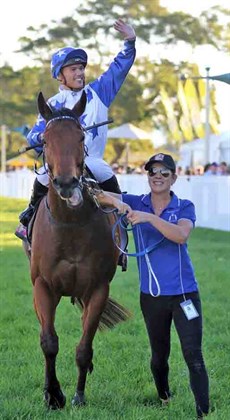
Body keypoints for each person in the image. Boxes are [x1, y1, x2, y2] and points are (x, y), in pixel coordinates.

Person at [95, 153, 209, 419]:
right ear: (147, 176)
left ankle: (204, 412)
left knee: (194, 356)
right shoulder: (136, 201)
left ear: (174, 178)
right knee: (159, 357)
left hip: (184, 295)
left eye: (164, 172)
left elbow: (180, 235)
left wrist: (148, 219)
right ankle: (164, 397)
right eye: (152, 172)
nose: (157, 176)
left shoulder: (184, 206)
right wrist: (116, 202)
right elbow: (97, 196)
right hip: (152, 298)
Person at [15, 18, 136, 241]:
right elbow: (33, 136)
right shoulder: (51, 104)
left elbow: (118, 70)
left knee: (106, 173)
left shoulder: (99, 92)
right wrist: (40, 137)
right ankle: (28, 218)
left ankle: (120, 226)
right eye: (73, 69)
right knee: (41, 178)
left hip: (92, 161)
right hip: (60, 166)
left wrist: (129, 42)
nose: (80, 73)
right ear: (60, 75)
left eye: (81, 68)